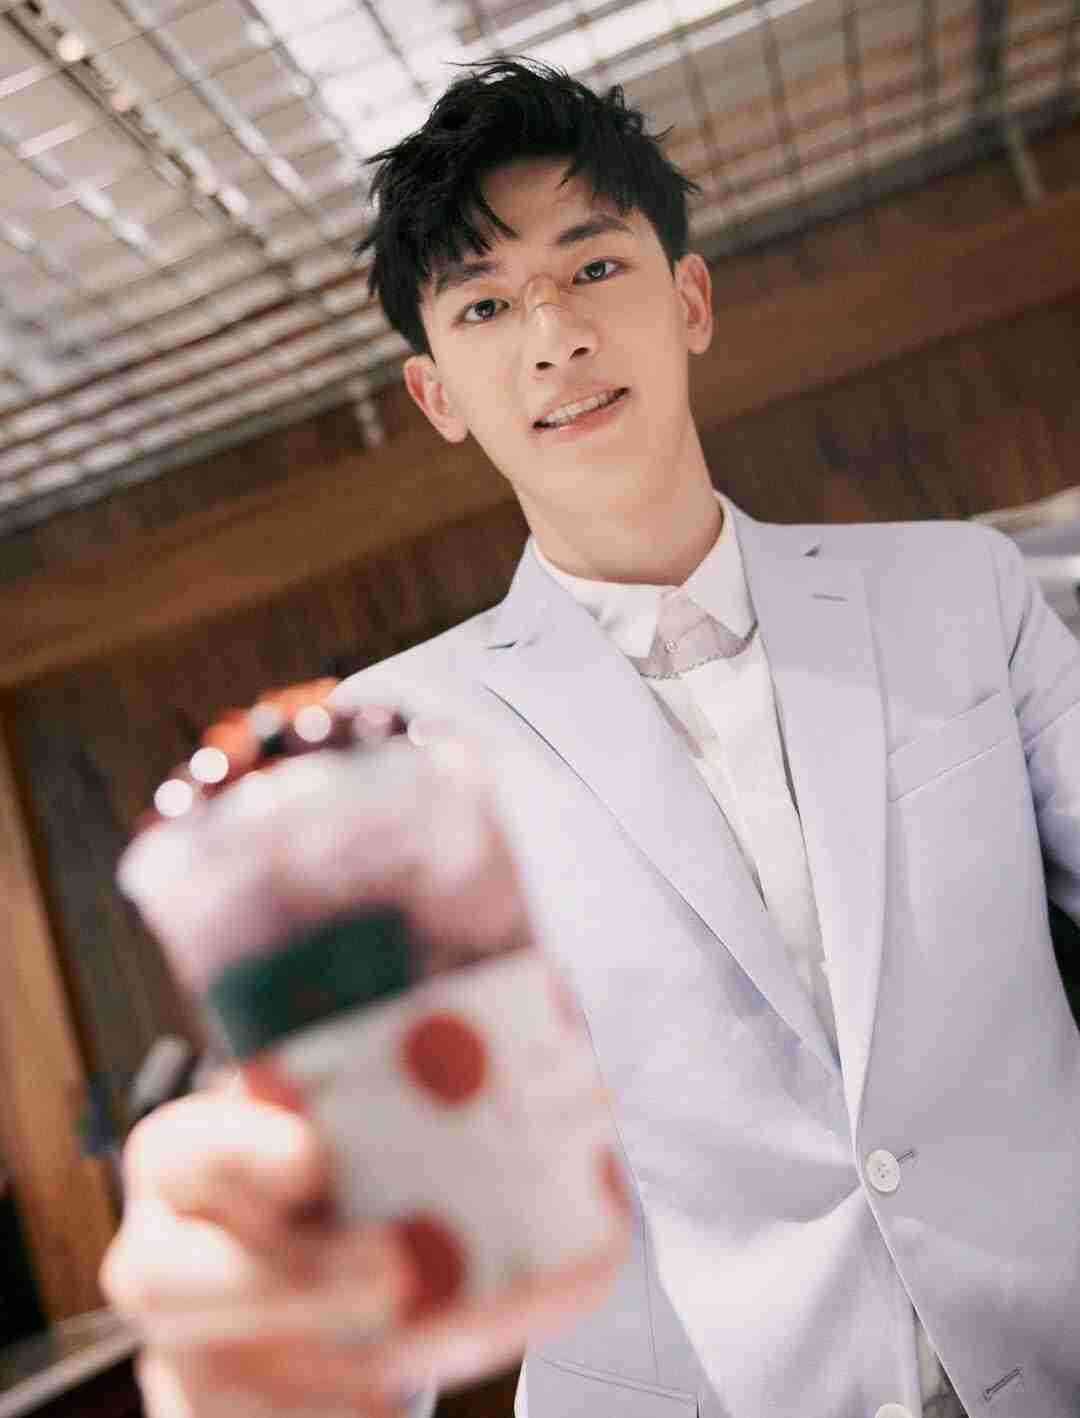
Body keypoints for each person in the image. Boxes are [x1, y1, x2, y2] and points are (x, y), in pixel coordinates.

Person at [101, 57, 1080, 1418]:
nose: (553, 333)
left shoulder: (960, 590)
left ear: (690, 301)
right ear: (438, 396)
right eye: (485, 304)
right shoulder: (382, 758)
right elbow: (367, 1172)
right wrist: (281, 1319)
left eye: (595, 266)